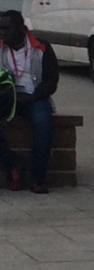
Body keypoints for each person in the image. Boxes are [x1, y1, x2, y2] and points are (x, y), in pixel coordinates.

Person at [0, 10, 59, 194]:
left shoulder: (41, 47)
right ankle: (12, 163)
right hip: (7, 97)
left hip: (34, 97)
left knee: (43, 124)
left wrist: (33, 97)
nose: (1, 33)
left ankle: (37, 178)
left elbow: (51, 81)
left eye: (5, 29)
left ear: (20, 28)